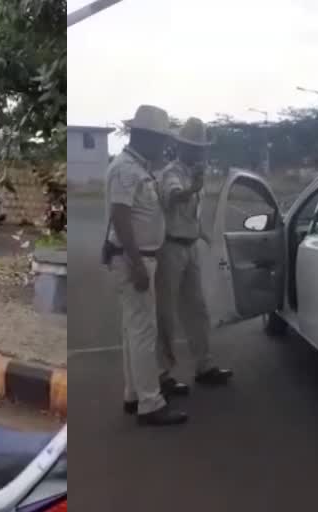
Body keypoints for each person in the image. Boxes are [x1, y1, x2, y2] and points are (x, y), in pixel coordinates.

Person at [103, 104, 188, 427]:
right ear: (145, 137)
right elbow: (121, 216)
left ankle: (134, 395)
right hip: (135, 259)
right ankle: (150, 403)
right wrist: (137, 263)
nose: (163, 145)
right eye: (160, 139)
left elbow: (121, 216)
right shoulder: (127, 169)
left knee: (133, 331)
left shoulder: (139, 167)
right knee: (142, 332)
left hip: (135, 257)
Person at [155, 117, 233, 395]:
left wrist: (211, 241)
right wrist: (193, 188)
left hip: (189, 246)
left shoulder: (194, 174)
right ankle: (162, 374)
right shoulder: (172, 173)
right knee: (165, 313)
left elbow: (193, 217)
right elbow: (173, 197)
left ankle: (204, 365)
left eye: (201, 147)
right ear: (180, 147)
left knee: (197, 310)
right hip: (170, 247)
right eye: (194, 146)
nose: (199, 152)